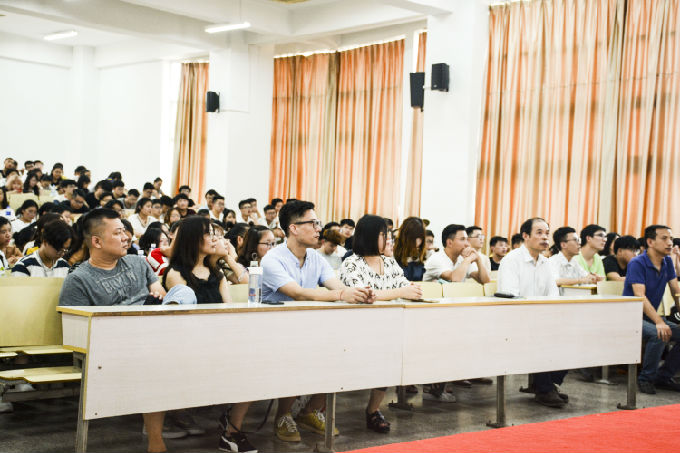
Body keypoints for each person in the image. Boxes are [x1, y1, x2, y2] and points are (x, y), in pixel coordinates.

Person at [261, 200, 375, 442]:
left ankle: (310, 411)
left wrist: (357, 293)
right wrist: (342, 295)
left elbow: (337, 286)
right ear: (293, 228)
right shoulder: (272, 259)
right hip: (275, 329)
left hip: (308, 326)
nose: (318, 229)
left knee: (345, 352)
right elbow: (298, 293)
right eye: (312, 223)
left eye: (318, 223)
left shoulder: (315, 257)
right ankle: (283, 415)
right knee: (298, 354)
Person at [57, 208, 169, 453]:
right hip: (112, 347)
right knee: (155, 362)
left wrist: (152, 303)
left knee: (183, 294)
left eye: (125, 232)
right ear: (97, 241)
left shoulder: (138, 263)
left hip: (152, 334)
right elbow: (76, 330)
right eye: (118, 233)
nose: (127, 237)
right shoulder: (79, 279)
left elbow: (160, 295)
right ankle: (156, 442)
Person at [339, 214, 423, 433]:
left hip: (387, 328)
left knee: (391, 359)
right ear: (369, 235)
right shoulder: (352, 263)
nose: (388, 239)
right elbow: (364, 295)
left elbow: (406, 287)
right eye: (384, 235)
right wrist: (401, 292)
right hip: (355, 330)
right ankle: (314, 409)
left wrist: (411, 290)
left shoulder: (389, 262)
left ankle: (373, 410)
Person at [498, 218, 567, 408]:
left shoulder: (546, 262)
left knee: (571, 335)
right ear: (525, 236)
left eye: (547, 233)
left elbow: (553, 294)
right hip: (515, 319)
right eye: (539, 233)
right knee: (540, 336)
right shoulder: (511, 260)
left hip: (540, 318)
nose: (545, 237)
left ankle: (548, 384)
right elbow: (510, 297)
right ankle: (544, 389)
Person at [623, 225, 680, 394]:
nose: (670, 243)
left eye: (671, 239)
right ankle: (645, 378)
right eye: (664, 238)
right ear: (650, 242)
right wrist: (659, 322)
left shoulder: (667, 261)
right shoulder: (637, 263)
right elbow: (640, 297)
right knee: (659, 333)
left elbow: (676, 291)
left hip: (649, 316)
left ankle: (664, 376)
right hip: (630, 316)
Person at [423, 224, 490, 284]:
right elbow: (455, 279)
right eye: (462, 239)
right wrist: (468, 259)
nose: (467, 244)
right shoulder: (436, 259)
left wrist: (478, 259)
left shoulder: (462, 258)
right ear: (450, 243)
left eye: (467, 239)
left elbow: (485, 281)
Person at [548, 227, 598, 291]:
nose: (579, 243)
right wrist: (580, 280)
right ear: (563, 245)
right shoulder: (552, 261)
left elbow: (586, 277)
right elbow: (556, 281)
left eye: (578, 240)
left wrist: (593, 278)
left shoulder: (574, 261)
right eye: (575, 240)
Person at [393, 217, 427, 281]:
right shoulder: (392, 258)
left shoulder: (421, 258)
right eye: (416, 237)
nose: (419, 242)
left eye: (421, 237)